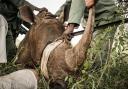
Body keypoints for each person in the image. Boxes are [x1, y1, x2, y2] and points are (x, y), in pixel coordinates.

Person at [64, 0, 122, 65]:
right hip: (89, 21)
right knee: (89, 54)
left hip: (105, 15)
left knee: (98, 56)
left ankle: (98, 73)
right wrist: (55, 18)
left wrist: (71, 25)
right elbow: (68, 2)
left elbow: (86, 2)